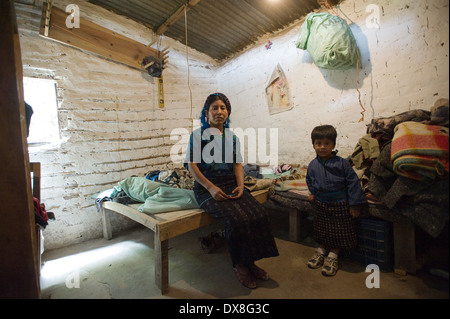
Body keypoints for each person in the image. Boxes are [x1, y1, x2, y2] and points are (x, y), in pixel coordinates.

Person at [184, 93, 279, 289]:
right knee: (235, 219)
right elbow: (191, 166)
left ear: (228, 112)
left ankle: (250, 261)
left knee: (258, 213)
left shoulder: (231, 137)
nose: (219, 112)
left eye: (223, 108)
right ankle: (239, 264)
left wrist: (241, 186)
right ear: (206, 112)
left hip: (230, 183)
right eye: (214, 108)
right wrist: (210, 187)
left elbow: (237, 165)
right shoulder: (197, 136)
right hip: (206, 187)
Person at [306, 125, 366, 276]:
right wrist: (313, 192)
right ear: (313, 145)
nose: (322, 147)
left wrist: (355, 205)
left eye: (327, 143)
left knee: (339, 231)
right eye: (318, 143)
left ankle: (333, 255)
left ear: (333, 145)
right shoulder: (313, 165)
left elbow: (353, 183)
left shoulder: (342, 163)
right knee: (321, 228)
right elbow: (309, 180)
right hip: (320, 203)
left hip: (340, 204)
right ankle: (321, 250)